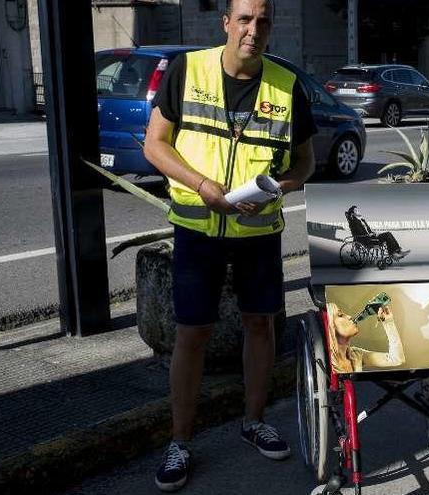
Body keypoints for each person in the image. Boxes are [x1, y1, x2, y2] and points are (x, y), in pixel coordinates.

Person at [143, 0, 316, 491]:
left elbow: (304, 163)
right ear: (226, 23)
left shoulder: (287, 86)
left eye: (262, 20)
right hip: (198, 231)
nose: (253, 29)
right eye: (244, 18)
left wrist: (280, 188)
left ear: (270, 27)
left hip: (259, 233)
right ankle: (179, 441)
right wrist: (201, 185)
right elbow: (154, 144)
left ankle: (254, 421)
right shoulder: (187, 69)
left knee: (260, 325)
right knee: (191, 334)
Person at [326, 301, 406, 374]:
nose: (349, 316)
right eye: (340, 315)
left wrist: (388, 322)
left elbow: (396, 359)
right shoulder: (327, 365)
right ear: (330, 327)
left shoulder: (356, 355)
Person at [345, 205, 410, 260]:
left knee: (388, 234)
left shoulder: (361, 220)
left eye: (358, 210)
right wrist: (369, 234)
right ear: (352, 213)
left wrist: (372, 232)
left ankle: (398, 251)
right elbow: (359, 232)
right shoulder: (354, 222)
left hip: (370, 237)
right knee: (387, 235)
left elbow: (367, 229)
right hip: (367, 240)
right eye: (356, 210)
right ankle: (393, 254)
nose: (358, 211)